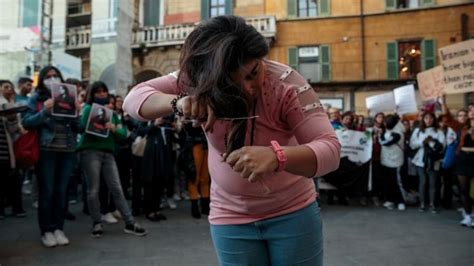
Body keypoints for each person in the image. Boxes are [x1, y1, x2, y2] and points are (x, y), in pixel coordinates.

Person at [123, 15, 340, 265]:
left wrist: (277, 156)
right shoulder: (196, 79)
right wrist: (179, 103)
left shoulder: (287, 85)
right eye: (232, 83)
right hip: (230, 218)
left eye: (253, 73)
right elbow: (134, 99)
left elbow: (330, 150)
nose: (248, 89)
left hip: (293, 213)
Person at [77, 81, 146, 238]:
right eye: (98, 92)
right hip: (91, 151)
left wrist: (114, 128)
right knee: (93, 189)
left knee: (117, 188)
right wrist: (98, 118)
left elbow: (122, 135)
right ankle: (97, 222)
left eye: (104, 91)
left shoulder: (113, 114)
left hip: (108, 152)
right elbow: (83, 127)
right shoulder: (87, 109)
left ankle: (129, 222)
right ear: (92, 94)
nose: (101, 94)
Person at [22, 66, 81, 247]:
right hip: (47, 150)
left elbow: (78, 127)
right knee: (47, 192)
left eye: (56, 76)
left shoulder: (68, 97)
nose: (52, 79)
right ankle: (46, 230)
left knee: (61, 192)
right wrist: (44, 111)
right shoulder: (37, 98)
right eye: (48, 77)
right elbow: (27, 122)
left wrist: (77, 112)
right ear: (42, 81)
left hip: (67, 150)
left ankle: (58, 228)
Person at [409, 112, 445, 213]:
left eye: (430, 118)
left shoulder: (438, 131)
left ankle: (432, 204)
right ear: (423, 119)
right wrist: (422, 142)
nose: (428, 120)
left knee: (433, 183)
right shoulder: (418, 130)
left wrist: (431, 142)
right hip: (420, 160)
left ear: (434, 119)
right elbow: (412, 144)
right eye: (426, 118)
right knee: (422, 182)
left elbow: (442, 147)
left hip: (434, 160)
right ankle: (422, 204)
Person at [457, 106, 474, 227]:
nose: (471, 112)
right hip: (463, 159)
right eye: (470, 110)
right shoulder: (463, 126)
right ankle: (467, 215)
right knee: (464, 190)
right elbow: (447, 119)